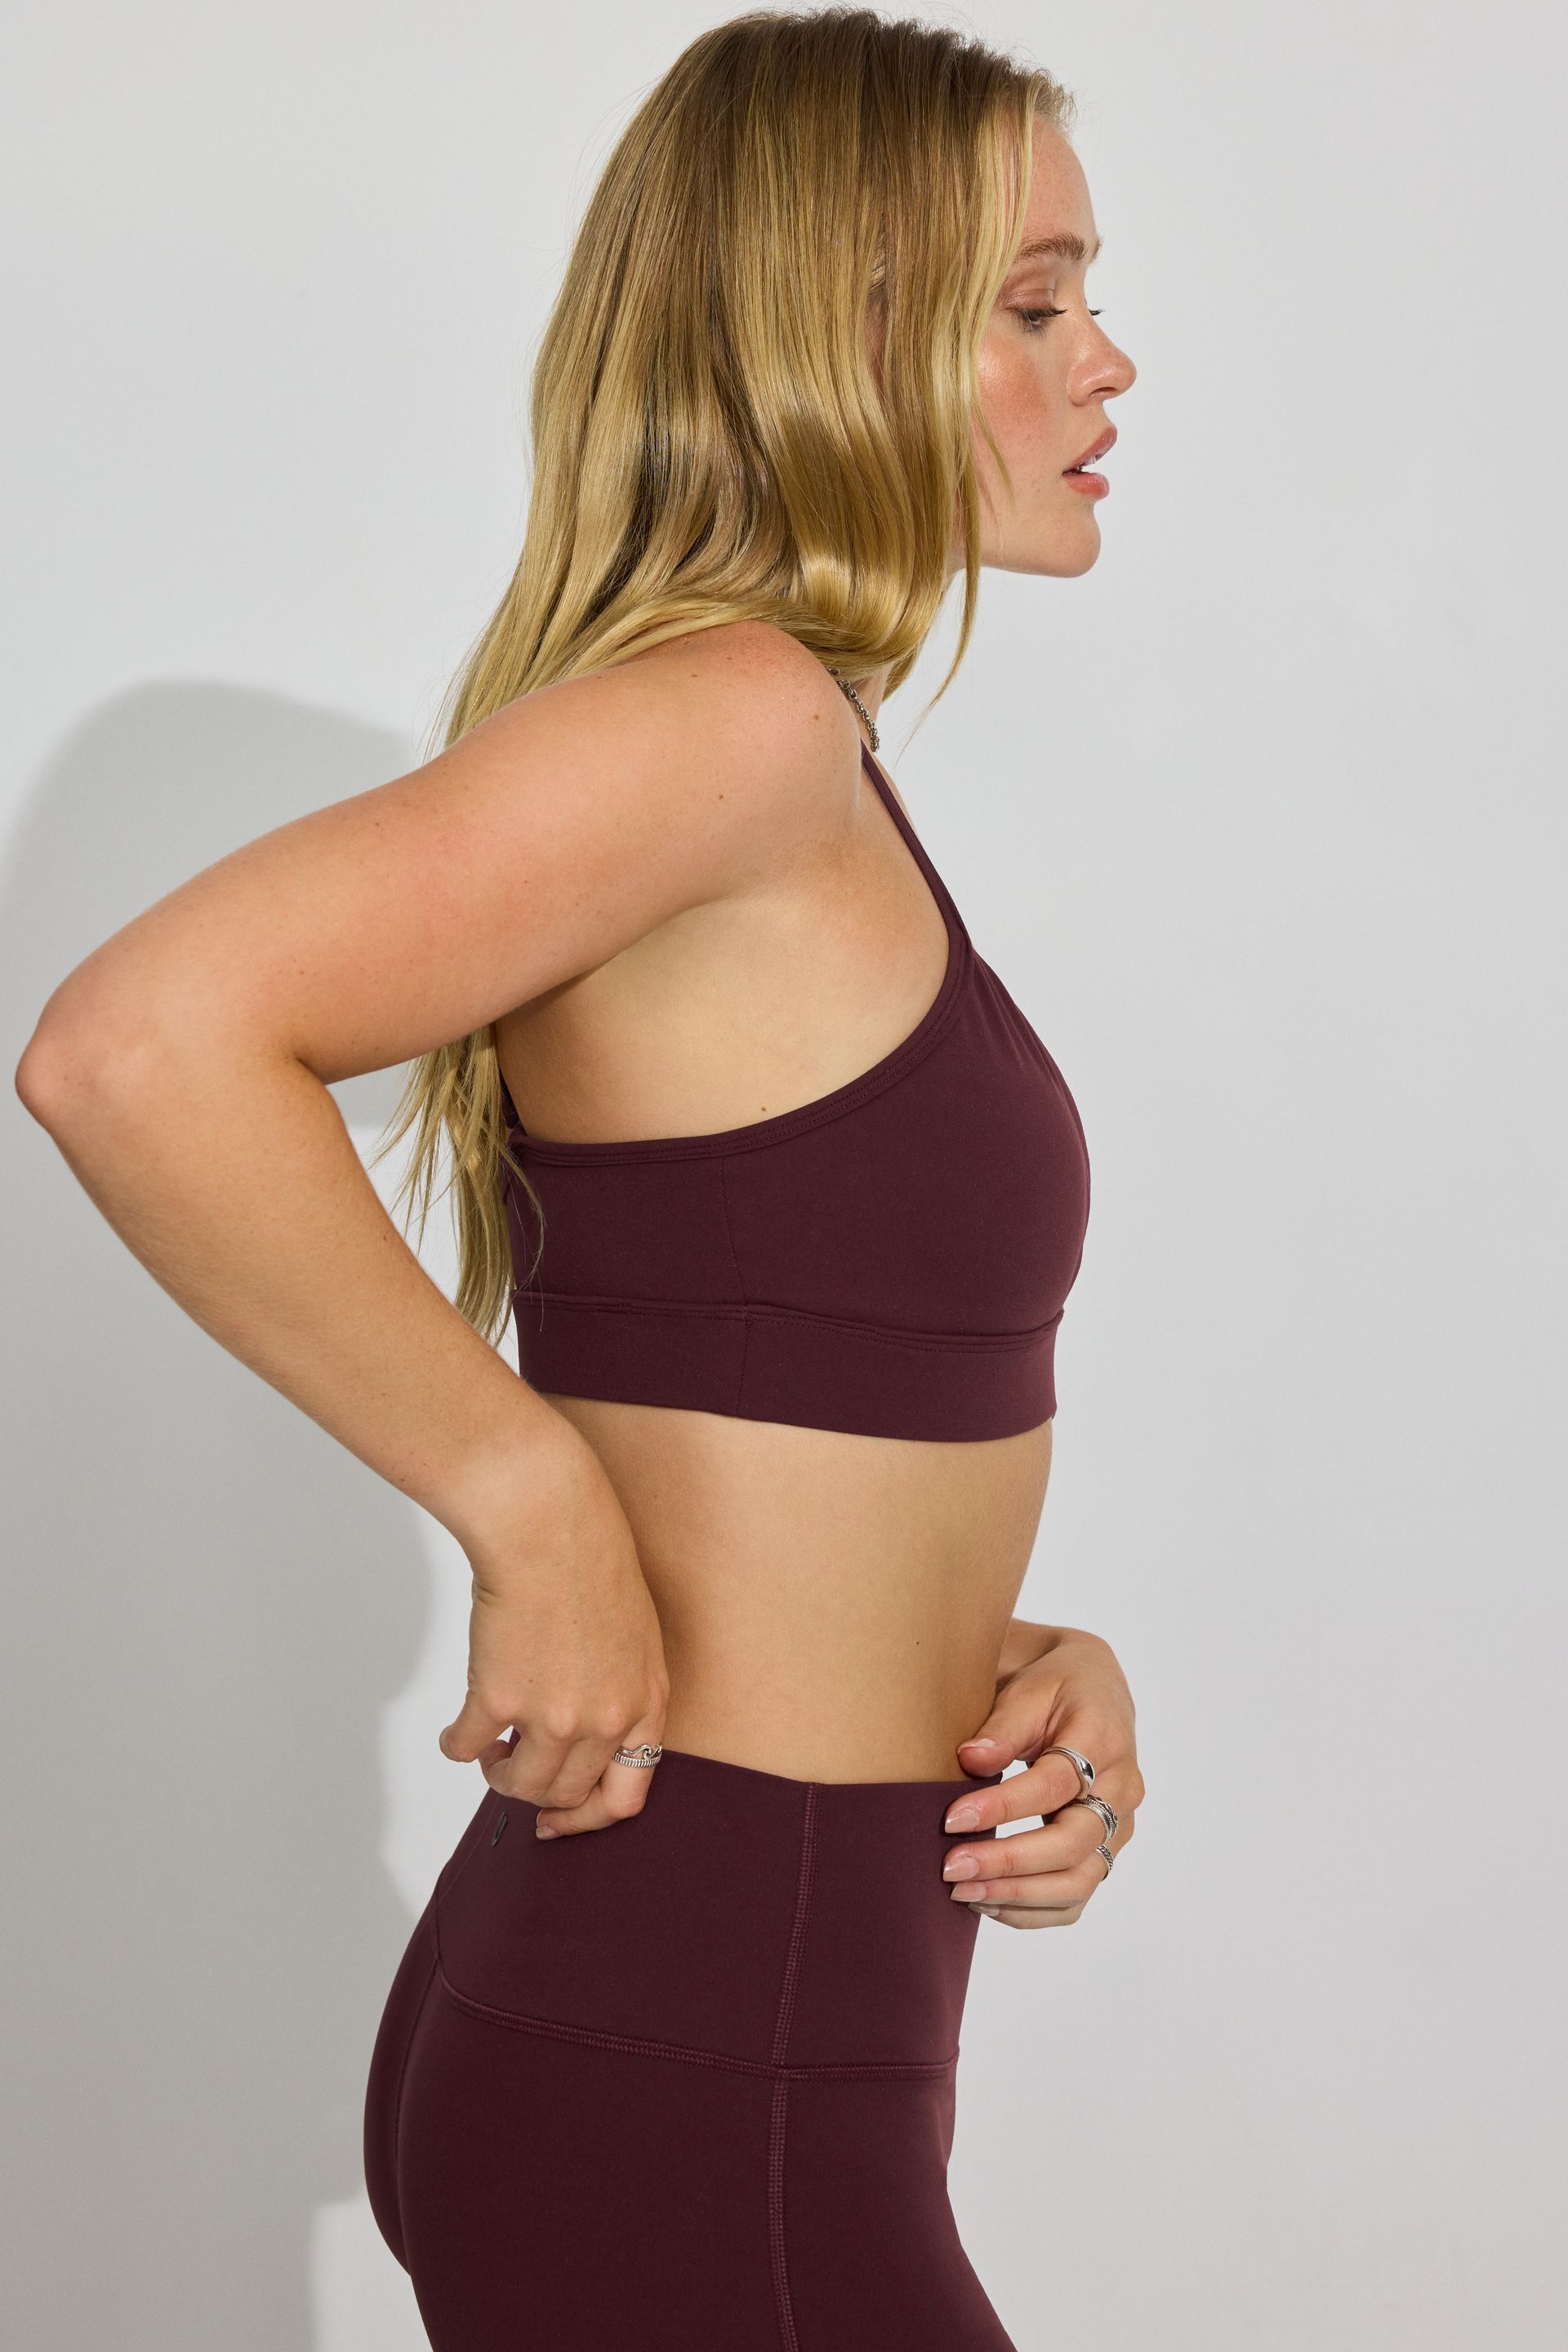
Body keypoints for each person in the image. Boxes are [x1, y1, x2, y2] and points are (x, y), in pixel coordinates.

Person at [16, 8, 1143, 2345]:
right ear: (846, 337)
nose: (1106, 363)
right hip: (698, 2055)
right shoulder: (734, 724)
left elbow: (781, 1379)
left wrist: (1008, 1665)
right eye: (1033, 304)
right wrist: (526, 1504)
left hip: (729, 2024)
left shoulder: (790, 756)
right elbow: (134, 1046)